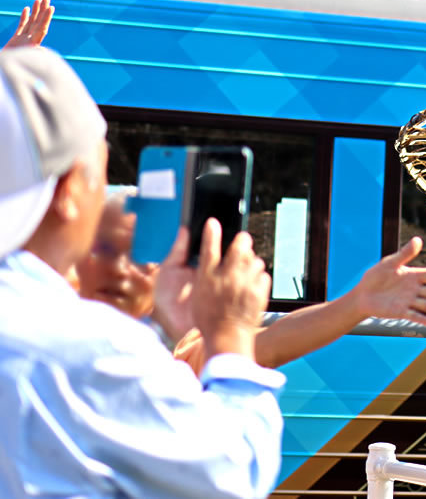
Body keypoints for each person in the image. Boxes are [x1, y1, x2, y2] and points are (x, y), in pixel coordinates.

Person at [0, 45, 285, 498]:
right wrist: (230, 335)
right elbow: (230, 476)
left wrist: (162, 326)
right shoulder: (84, 346)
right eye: (102, 174)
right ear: (70, 187)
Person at [77, 190, 426, 373]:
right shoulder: (36, 320)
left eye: (143, 257)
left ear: (170, 272)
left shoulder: (179, 348)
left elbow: (268, 345)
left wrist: (355, 304)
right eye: (106, 249)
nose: (122, 269)